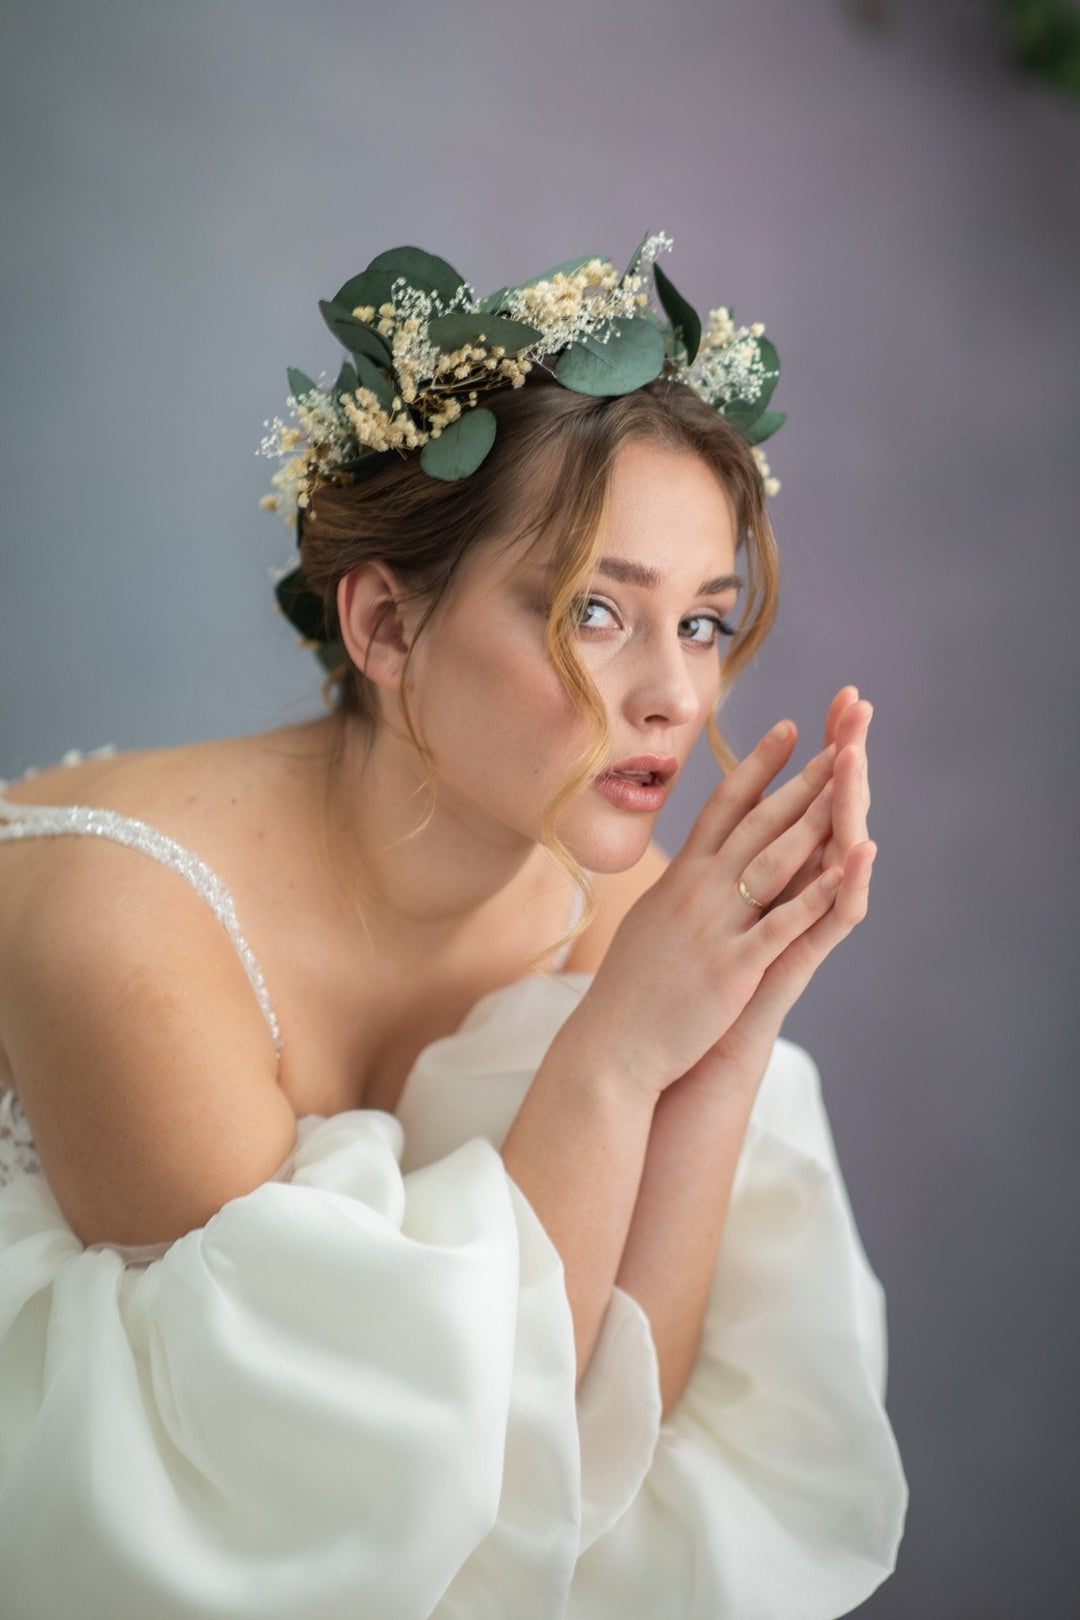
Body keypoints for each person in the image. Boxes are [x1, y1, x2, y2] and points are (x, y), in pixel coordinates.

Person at [0, 236, 907, 1618]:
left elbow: (599, 1429)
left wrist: (732, 1027)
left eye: (707, 624)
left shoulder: (617, 897)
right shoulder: (128, 933)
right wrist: (611, 1057)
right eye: (596, 612)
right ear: (382, 623)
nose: (671, 696)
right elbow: (315, 1495)